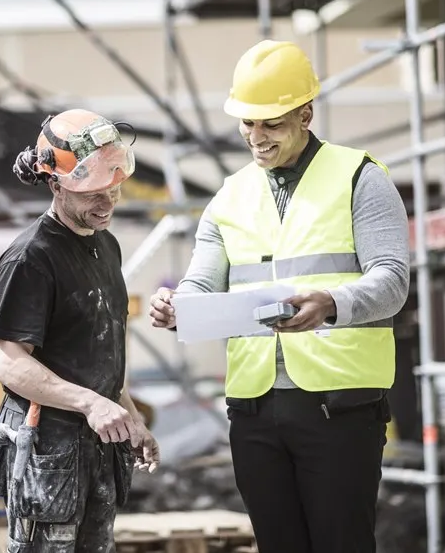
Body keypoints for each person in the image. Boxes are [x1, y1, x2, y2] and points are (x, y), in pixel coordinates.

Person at [148, 40, 411, 553]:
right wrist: (177, 307)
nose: (255, 136)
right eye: (246, 123)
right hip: (254, 411)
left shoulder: (360, 178)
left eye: (269, 123)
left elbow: (393, 281)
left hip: (339, 409)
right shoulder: (229, 196)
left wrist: (331, 305)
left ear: (306, 113)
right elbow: (202, 284)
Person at [0, 108, 160, 552]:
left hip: (96, 449)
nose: (108, 203)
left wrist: (129, 416)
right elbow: (9, 365)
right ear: (56, 182)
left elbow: (99, 351)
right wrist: (91, 404)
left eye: (114, 189)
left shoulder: (106, 246)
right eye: (94, 193)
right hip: (50, 452)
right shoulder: (31, 258)